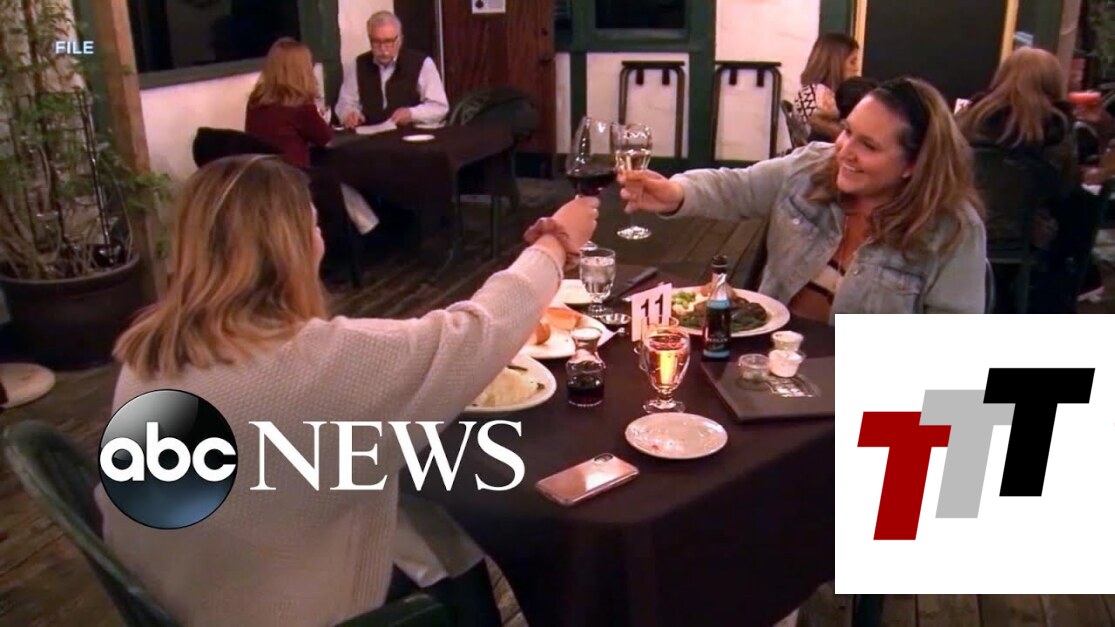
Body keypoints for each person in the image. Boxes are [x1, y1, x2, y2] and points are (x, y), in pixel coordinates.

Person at [94, 154, 599, 626]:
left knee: (427, 524)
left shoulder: (150, 349)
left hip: (173, 590)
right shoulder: (307, 366)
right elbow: (477, 333)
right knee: (442, 536)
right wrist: (554, 244)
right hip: (267, 606)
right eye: (314, 224)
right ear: (294, 247)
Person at [620, 77, 987, 321]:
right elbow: (737, 187)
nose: (844, 150)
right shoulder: (811, 166)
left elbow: (953, 354)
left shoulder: (954, 230)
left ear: (913, 164)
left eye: (868, 145)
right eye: (847, 131)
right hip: (766, 366)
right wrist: (675, 193)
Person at [245, 38, 380, 279]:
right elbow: (324, 137)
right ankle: (372, 236)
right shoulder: (299, 106)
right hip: (294, 182)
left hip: (263, 179)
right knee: (342, 186)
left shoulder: (256, 101)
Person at [335, 11, 449, 129]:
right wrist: (349, 114)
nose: (383, 49)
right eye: (376, 42)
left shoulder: (422, 63)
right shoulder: (359, 64)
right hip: (371, 136)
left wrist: (411, 114)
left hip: (410, 135)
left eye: (389, 42)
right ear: (369, 39)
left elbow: (439, 107)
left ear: (400, 40)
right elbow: (345, 103)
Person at [795, 33, 860, 142]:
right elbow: (834, 138)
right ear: (835, 63)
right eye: (852, 62)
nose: (856, 68)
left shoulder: (820, 93)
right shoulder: (814, 94)